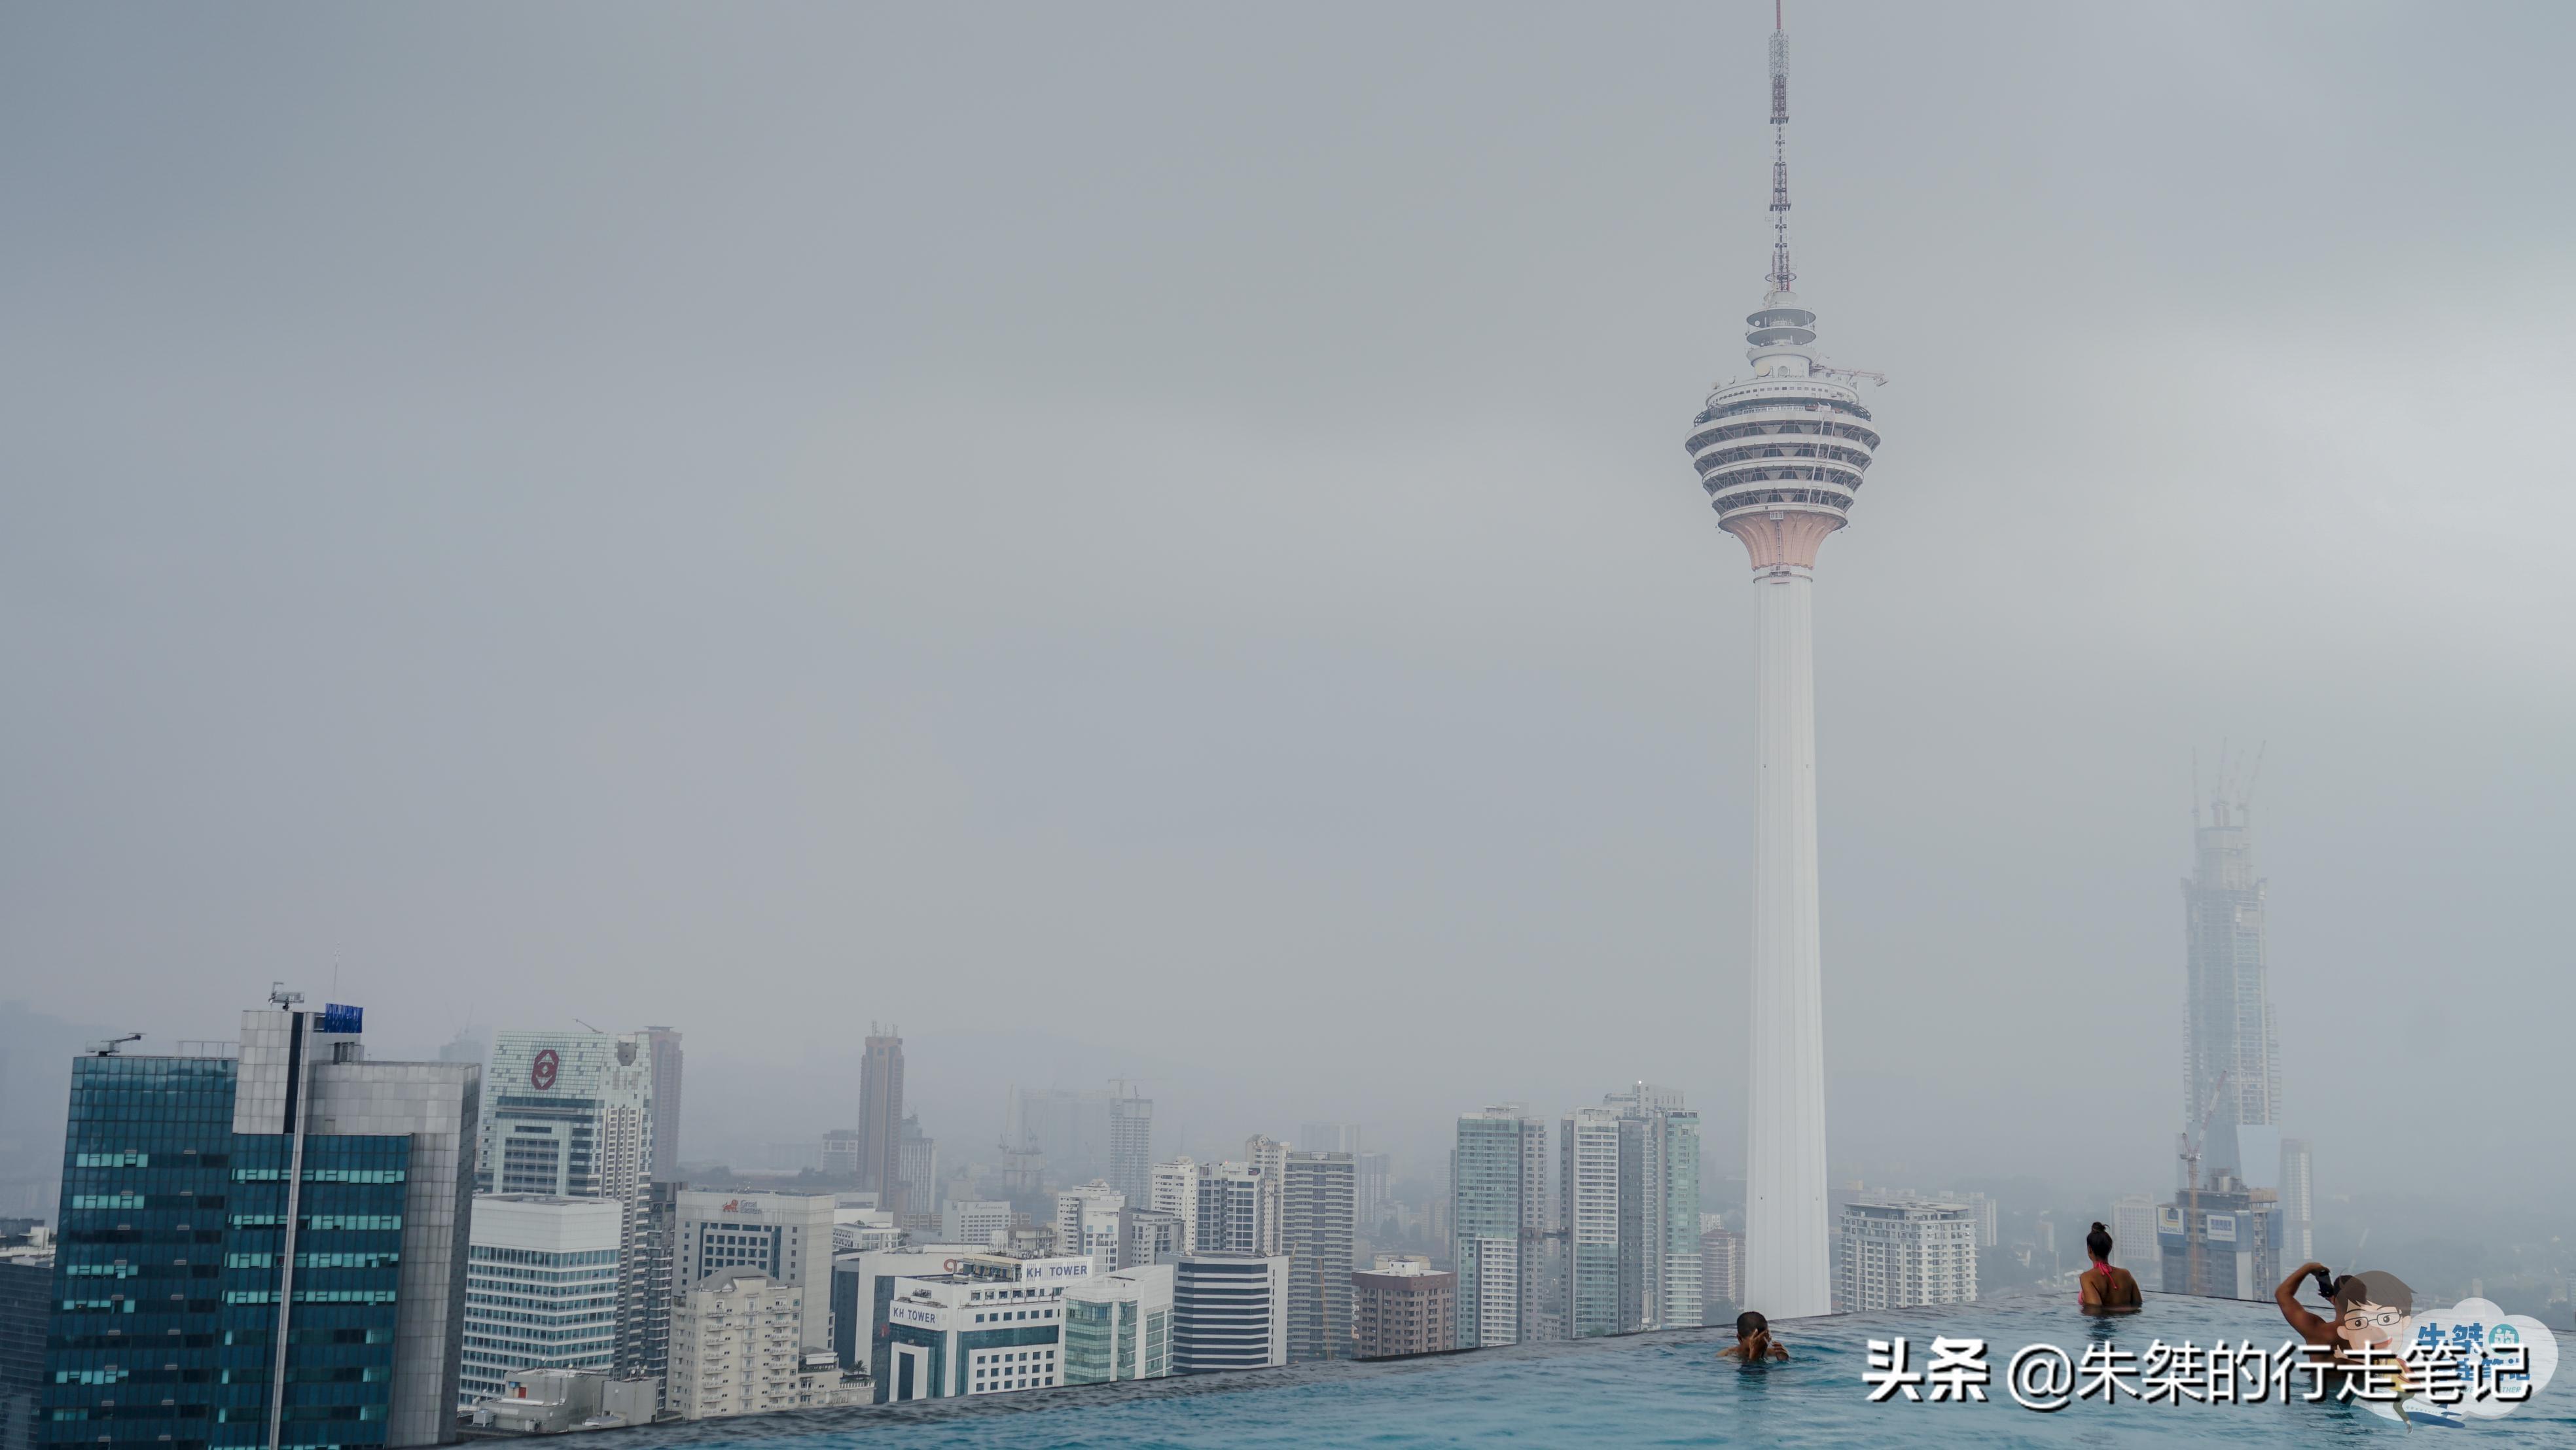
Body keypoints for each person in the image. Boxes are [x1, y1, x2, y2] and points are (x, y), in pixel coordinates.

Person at [2276, 1260, 2416, 1398]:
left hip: (2322, 1400)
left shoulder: (2317, 1331)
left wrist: (2308, 1268)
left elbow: (2282, 1295)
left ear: (2335, 1299)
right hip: (2360, 1401)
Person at [2077, 1222, 2143, 1313]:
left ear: (2090, 1249)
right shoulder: (2126, 1274)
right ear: (2110, 1247)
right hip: (2124, 1324)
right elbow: (2138, 1305)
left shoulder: (2087, 1278)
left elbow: (2094, 1310)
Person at [1718, 1309, 1790, 1362]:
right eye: (1755, 1343)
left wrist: (1784, 1361)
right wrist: (1754, 1358)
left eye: (1764, 1342)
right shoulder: (1726, 1356)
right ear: (1740, 1338)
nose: (1759, 1347)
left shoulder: (1774, 1353)